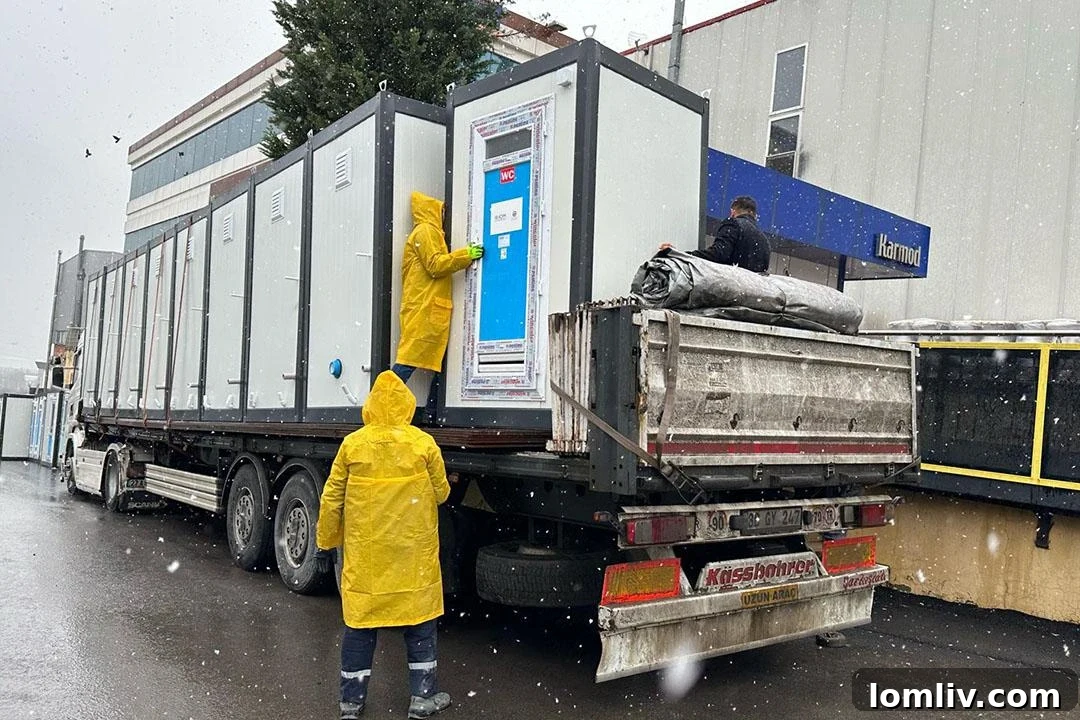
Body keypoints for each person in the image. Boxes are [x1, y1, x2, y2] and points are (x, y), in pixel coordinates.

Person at [315, 370, 453, 719]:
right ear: (407, 405)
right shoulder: (423, 444)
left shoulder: (353, 445)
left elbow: (331, 499)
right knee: (420, 624)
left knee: (360, 627)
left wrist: (325, 542)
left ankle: (351, 703)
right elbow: (441, 493)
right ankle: (422, 698)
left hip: (368, 559)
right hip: (413, 557)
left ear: (371, 405)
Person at [392, 191, 483, 383]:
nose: (443, 216)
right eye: (441, 211)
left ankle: (420, 406)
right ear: (432, 211)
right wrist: (465, 255)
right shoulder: (425, 230)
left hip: (426, 308)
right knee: (407, 362)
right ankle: (383, 400)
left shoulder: (428, 232)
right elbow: (435, 265)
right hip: (423, 309)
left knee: (430, 364)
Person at [660, 195, 771, 272]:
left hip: (729, 289)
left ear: (732, 212)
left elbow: (718, 254)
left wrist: (678, 255)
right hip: (751, 296)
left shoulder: (734, 224)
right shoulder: (764, 240)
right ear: (754, 215)